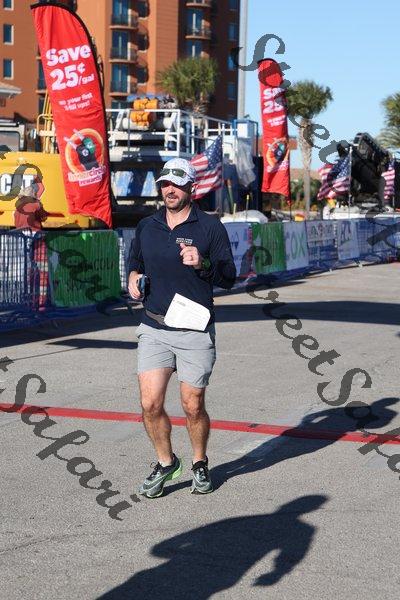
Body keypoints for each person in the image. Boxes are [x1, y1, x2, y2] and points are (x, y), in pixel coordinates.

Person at [128, 158, 236, 498]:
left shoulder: (209, 227)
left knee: (192, 405)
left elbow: (229, 276)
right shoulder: (147, 226)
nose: (169, 190)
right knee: (150, 404)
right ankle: (166, 462)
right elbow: (135, 262)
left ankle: (199, 462)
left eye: (176, 184)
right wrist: (132, 277)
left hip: (194, 330)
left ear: (192, 187)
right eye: (164, 184)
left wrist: (202, 263)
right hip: (154, 326)